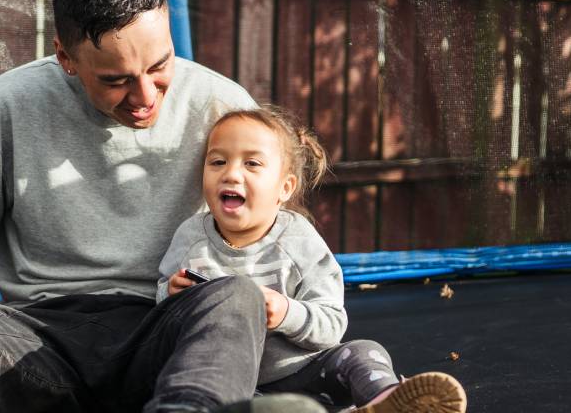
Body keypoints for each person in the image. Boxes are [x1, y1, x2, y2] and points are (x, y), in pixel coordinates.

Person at [0, 0, 327, 413]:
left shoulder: (220, 105)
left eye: (160, 65)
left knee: (236, 295)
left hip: (165, 335)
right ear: (65, 56)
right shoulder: (3, 110)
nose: (145, 96)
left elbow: (265, 230)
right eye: (117, 79)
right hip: (39, 345)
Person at [157, 106, 468, 413]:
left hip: (307, 371)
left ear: (284, 187)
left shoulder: (297, 240)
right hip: (237, 384)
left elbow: (332, 323)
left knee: (363, 352)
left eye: (251, 163)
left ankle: (385, 401)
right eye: (218, 161)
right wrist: (172, 296)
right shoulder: (191, 237)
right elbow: (160, 310)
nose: (231, 173)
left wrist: (286, 313)